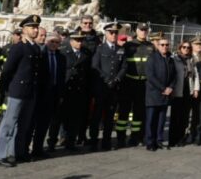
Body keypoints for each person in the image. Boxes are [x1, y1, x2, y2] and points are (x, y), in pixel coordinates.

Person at [0, 15, 42, 167]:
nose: (35, 30)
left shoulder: (35, 47)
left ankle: (16, 152)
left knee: (23, 125)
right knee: (9, 123)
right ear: (24, 29)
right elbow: (7, 70)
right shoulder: (19, 47)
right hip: (18, 90)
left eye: (36, 27)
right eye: (32, 27)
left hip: (30, 91)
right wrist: (5, 89)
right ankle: (0, 154)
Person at [89, 22, 125, 151]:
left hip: (113, 88)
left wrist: (116, 79)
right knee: (96, 116)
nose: (114, 35)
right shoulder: (100, 48)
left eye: (116, 32)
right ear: (106, 33)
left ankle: (106, 141)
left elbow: (123, 67)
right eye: (111, 32)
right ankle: (93, 142)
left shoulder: (120, 49)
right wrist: (106, 79)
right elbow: (95, 66)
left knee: (110, 117)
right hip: (101, 88)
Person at [30, 32, 66, 158]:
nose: (54, 44)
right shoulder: (40, 54)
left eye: (57, 42)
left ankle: (38, 148)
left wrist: (60, 94)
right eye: (52, 42)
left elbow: (62, 78)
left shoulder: (61, 57)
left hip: (54, 94)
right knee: (33, 122)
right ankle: (25, 148)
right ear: (46, 42)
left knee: (45, 123)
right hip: (40, 93)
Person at [116, 23, 153, 147]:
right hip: (128, 82)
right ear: (136, 31)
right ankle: (120, 137)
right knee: (123, 111)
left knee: (139, 112)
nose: (143, 32)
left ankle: (135, 137)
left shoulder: (151, 46)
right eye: (141, 30)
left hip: (143, 84)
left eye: (145, 30)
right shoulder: (128, 45)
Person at [61, 32, 91, 151]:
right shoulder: (64, 52)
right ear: (71, 41)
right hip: (66, 88)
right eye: (77, 40)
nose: (79, 42)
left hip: (79, 89)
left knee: (75, 117)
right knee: (61, 117)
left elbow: (88, 72)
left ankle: (71, 141)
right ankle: (55, 141)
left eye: (81, 40)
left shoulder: (86, 53)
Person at [144, 36, 174, 151]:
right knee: (151, 120)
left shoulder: (170, 58)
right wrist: (163, 88)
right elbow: (150, 76)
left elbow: (174, 76)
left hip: (165, 95)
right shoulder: (152, 58)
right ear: (158, 46)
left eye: (167, 45)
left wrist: (170, 87)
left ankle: (159, 140)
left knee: (161, 120)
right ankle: (150, 142)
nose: (165, 47)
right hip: (153, 93)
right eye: (162, 45)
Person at [169, 40, 195, 148]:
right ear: (180, 48)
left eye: (188, 47)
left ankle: (180, 138)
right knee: (175, 117)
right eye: (184, 47)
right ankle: (172, 139)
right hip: (177, 91)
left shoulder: (192, 60)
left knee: (184, 117)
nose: (186, 49)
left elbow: (194, 75)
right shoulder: (174, 59)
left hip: (188, 91)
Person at [186, 37, 201, 145]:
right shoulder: (189, 57)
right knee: (188, 113)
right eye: (196, 44)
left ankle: (196, 134)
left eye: (200, 44)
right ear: (192, 45)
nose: (199, 46)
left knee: (198, 115)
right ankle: (187, 134)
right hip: (191, 89)